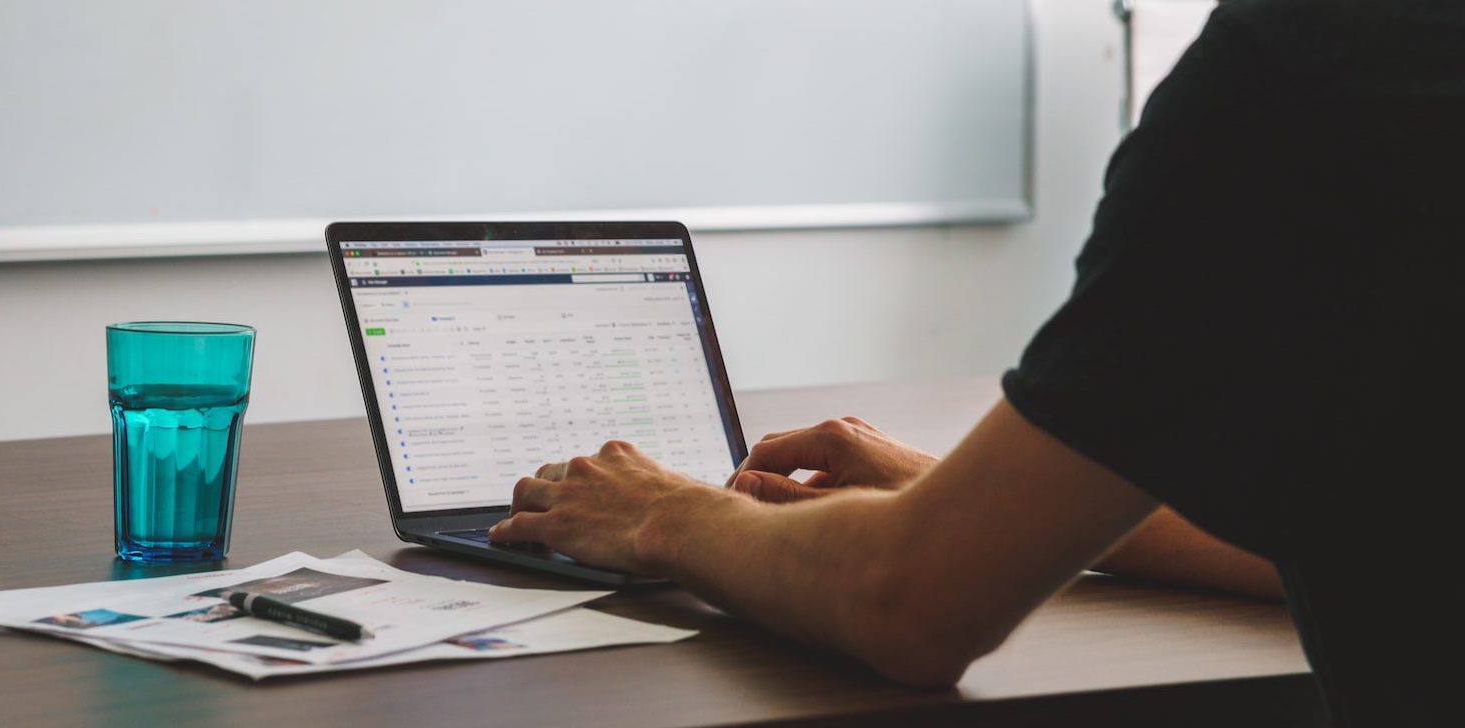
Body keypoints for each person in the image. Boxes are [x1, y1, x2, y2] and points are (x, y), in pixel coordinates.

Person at [489, 1, 1464, 725]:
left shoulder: (1306, 73)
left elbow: (909, 606)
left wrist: (663, 510)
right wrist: (987, 502)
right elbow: (1382, 526)